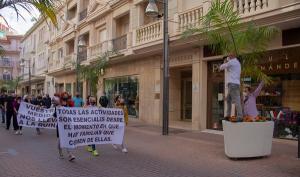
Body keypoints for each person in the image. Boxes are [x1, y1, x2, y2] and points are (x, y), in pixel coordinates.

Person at [219, 54, 243, 122]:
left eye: (229, 55)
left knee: (236, 100)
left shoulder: (232, 62)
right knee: (228, 100)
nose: (228, 56)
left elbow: (221, 67)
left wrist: (225, 61)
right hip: (235, 84)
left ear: (233, 56)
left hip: (232, 84)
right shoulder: (237, 63)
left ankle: (240, 116)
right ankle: (228, 115)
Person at [56, 92, 76, 161]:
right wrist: (57, 109)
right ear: (62, 97)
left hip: (67, 124)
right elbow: (55, 115)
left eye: (66, 96)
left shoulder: (69, 104)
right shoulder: (59, 104)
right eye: (64, 96)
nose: (66, 97)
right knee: (60, 140)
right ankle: (60, 152)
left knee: (67, 138)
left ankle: (70, 154)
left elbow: (75, 111)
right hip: (60, 125)